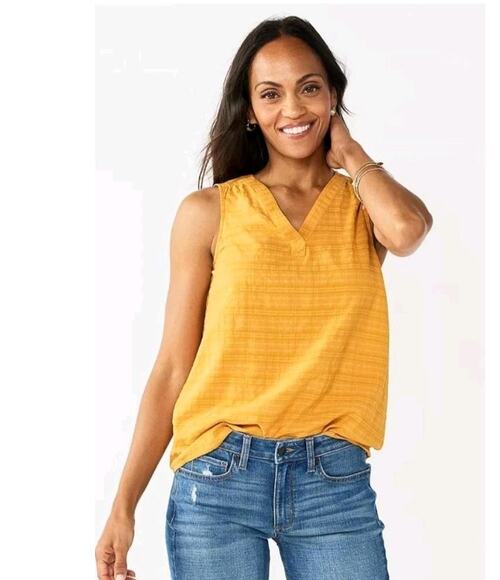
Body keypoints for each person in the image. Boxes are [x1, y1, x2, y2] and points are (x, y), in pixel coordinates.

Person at [95, 15, 432, 580]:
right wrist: (123, 506)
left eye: (309, 88)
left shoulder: (364, 207)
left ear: (332, 95)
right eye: (270, 94)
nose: (292, 109)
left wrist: (351, 154)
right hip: (218, 476)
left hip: (334, 481)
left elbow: (406, 231)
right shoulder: (209, 212)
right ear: (250, 110)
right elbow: (174, 366)